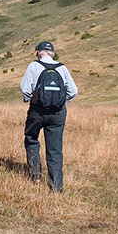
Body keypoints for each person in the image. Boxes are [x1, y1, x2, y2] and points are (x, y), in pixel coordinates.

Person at [19, 41, 78, 192]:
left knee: (31, 138)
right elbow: (73, 91)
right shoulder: (62, 68)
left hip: (37, 110)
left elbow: (24, 88)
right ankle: (57, 186)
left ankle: (36, 174)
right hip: (58, 113)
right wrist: (60, 102)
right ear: (52, 53)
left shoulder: (34, 66)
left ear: (38, 53)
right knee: (55, 149)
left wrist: (30, 99)